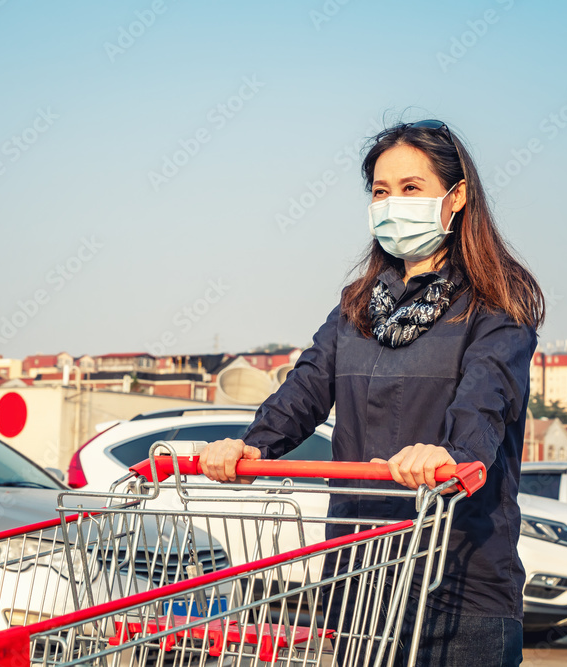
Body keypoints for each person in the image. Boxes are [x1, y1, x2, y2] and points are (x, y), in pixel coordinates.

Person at [199, 119, 544, 666]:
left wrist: (452, 455)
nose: (392, 204)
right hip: (363, 578)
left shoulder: (495, 308)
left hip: (459, 584)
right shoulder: (357, 307)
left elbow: (486, 401)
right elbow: (306, 387)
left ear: (455, 198)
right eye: (381, 192)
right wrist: (253, 444)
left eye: (411, 189)